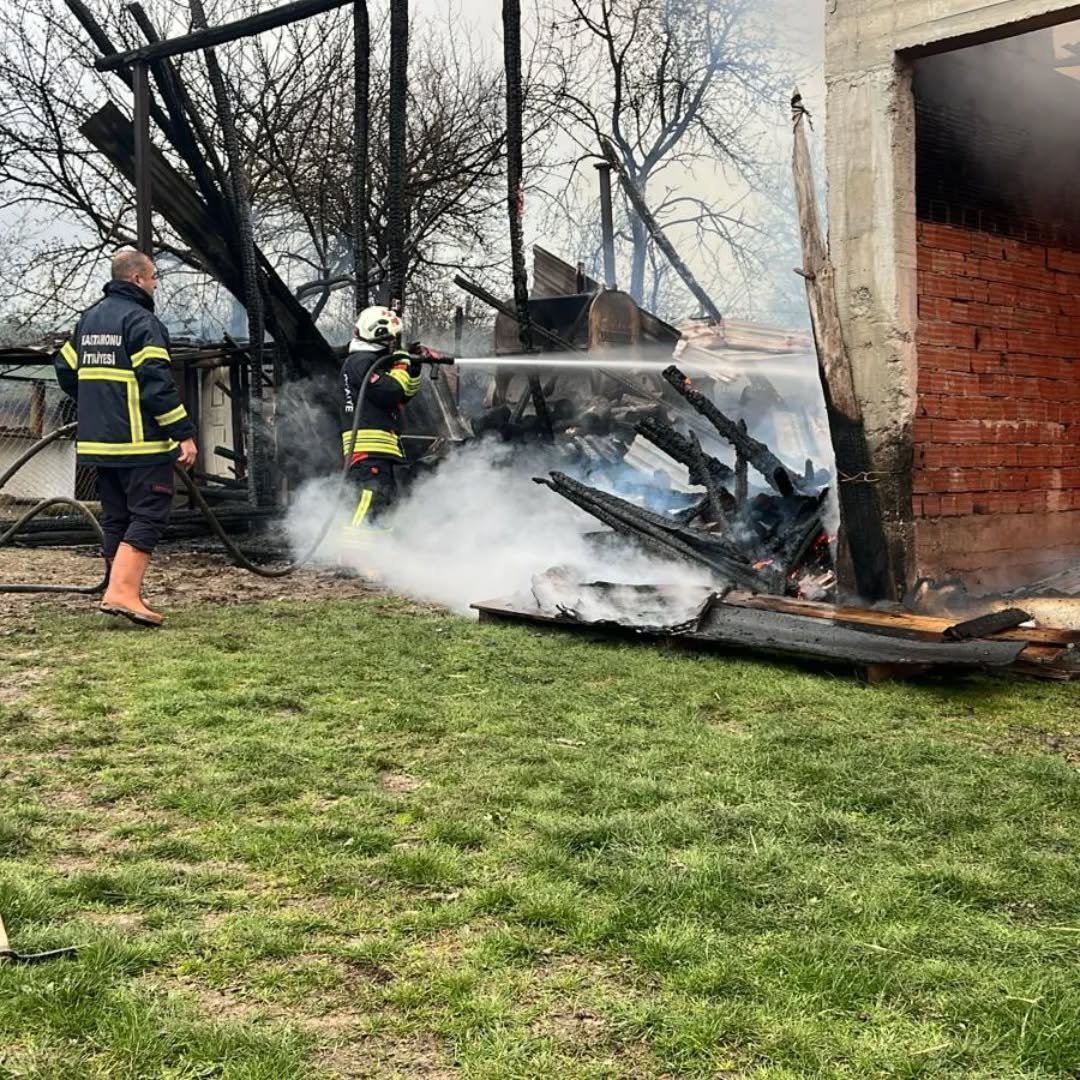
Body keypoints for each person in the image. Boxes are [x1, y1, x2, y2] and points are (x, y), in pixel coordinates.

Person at [53, 247, 198, 627]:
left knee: (117, 518)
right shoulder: (141, 321)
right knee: (149, 514)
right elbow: (157, 386)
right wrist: (183, 434)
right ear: (137, 279)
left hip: (99, 443)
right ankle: (122, 591)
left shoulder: (89, 320)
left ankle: (119, 591)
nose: (155, 284)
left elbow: (64, 368)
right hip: (140, 443)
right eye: (153, 278)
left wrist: (97, 402)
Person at [339, 306, 423, 547]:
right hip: (368, 450)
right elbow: (391, 390)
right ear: (380, 334)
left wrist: (413, 369)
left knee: (383, 503)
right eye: (391, 338)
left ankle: (378, 555)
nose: (393, 343)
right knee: (368, 500)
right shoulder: (359, 362)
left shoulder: (369, 362)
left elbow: (403, 394)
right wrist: (401, 365)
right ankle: (354, 553)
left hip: (380, 451)